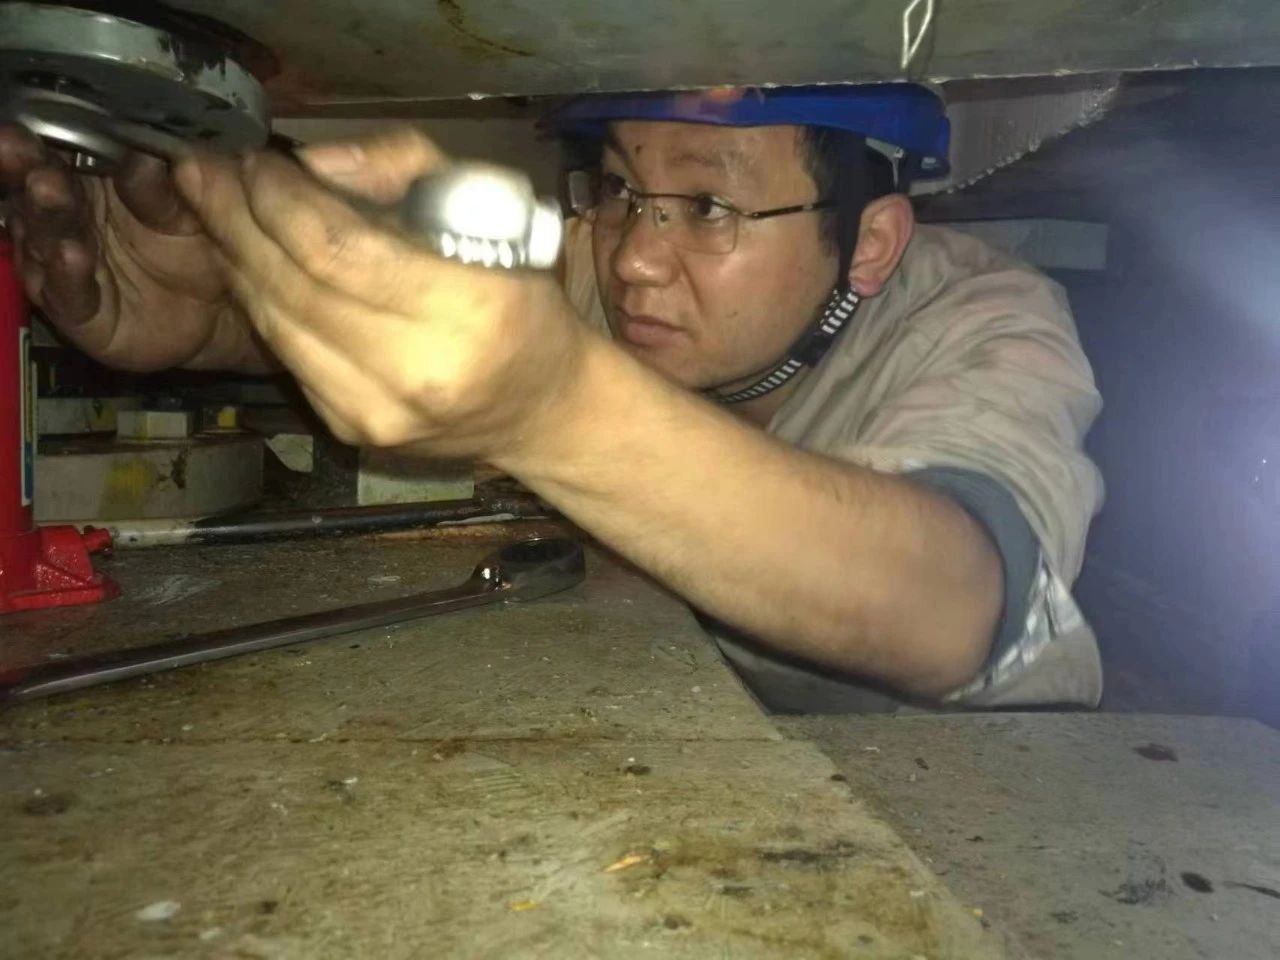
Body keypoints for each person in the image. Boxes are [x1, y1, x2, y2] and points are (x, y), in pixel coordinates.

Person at [0, 84, 1103, 711]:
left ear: (869, 243)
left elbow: (959, 602)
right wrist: (219, 315)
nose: (633, 259)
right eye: (622, 189)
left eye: (707, 208)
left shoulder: (983, 321)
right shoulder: (592, 269)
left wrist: (555, 408)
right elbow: (419, 337)